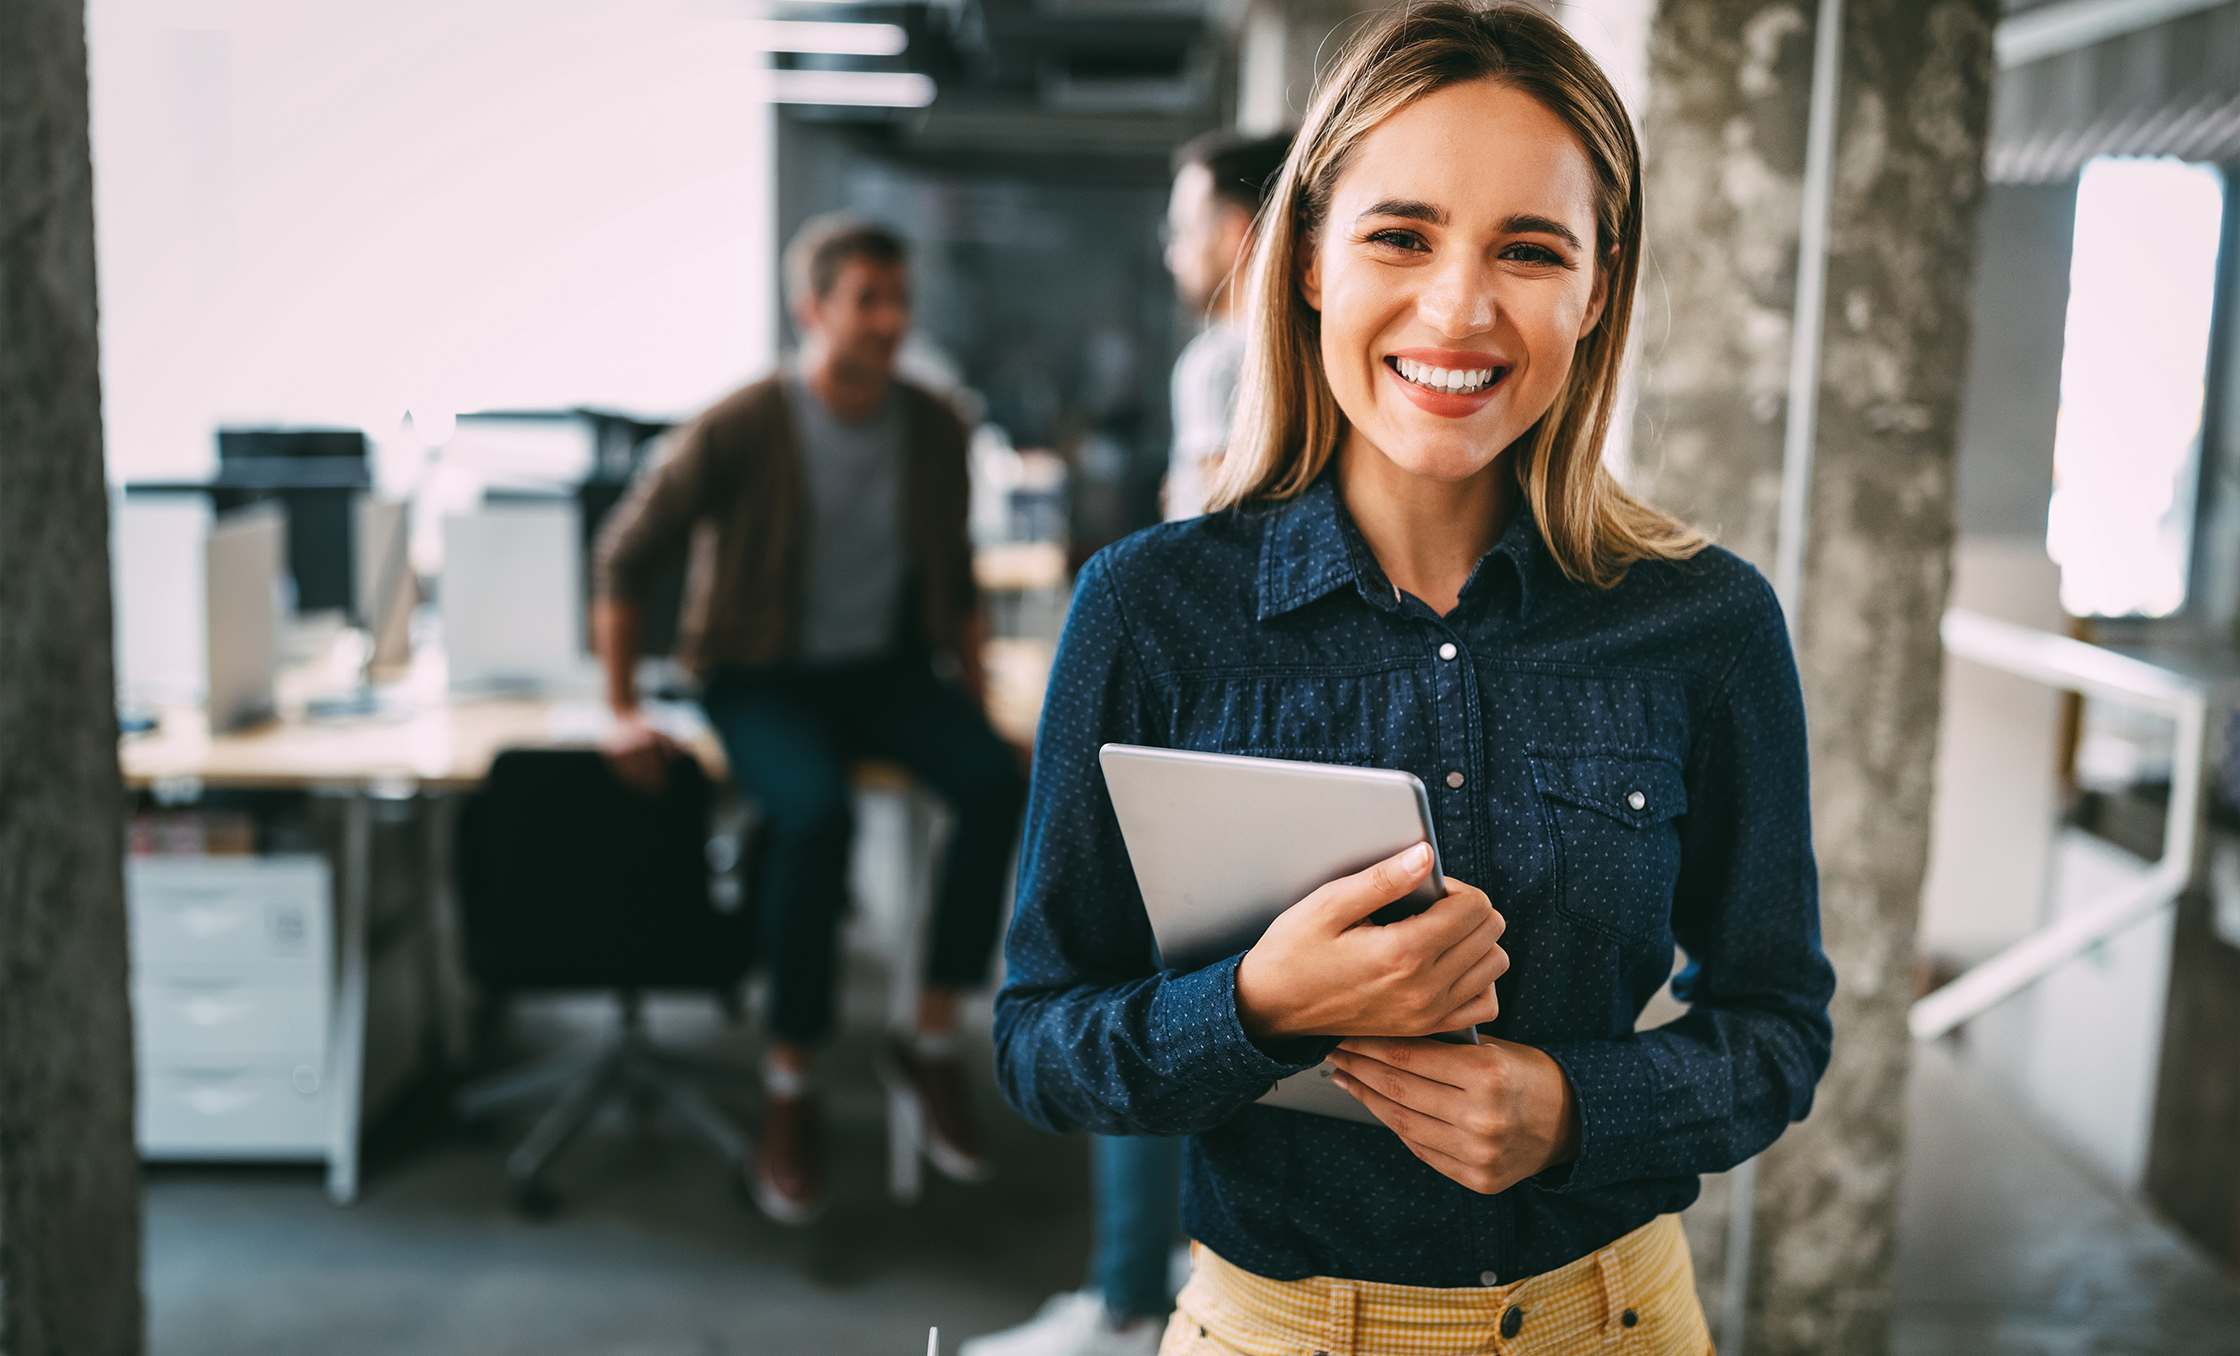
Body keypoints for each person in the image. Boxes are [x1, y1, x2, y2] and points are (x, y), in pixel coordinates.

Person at [993, 3, 1835, 1352]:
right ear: (1313, 255)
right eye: (1402, 234)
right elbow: (1042, 1040)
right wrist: (1258, 1007)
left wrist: (1578, 1108)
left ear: (1597, 289)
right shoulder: (1148, 611)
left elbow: (1780, 1025)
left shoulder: (1706, 624)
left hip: (1613, 1322)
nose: (1459, 307)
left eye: (1530, 249)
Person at [594, 213, 1027, 1226]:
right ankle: (790, 1082)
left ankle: (924, 1042)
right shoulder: (743, 421)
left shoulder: (931, 425)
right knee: (813, 816)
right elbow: (626, 556)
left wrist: (974, 710)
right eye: (867, 300)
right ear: (811, 310)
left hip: (881, 671)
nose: (889, 320)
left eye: (898, 300)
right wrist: (619, 708)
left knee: (995, 781)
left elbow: (956, 583)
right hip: (757, 675)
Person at [962, 128, 1295, 1356]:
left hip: (1202, 708)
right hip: (1248, 708)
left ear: (1247, 228)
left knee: (1133, 987)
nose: (1171, 245)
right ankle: (1162, 1280)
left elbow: (1208, 537)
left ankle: (1124, 1304)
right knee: (1234, 1006)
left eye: (1187, 218)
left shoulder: (1226, 360)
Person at [1160, 131, 1294, 523]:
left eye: (1182, 231)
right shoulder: (1313, 350)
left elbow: (1220, 525)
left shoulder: (1215, 363)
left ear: (1234, 233)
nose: (1173, 255)